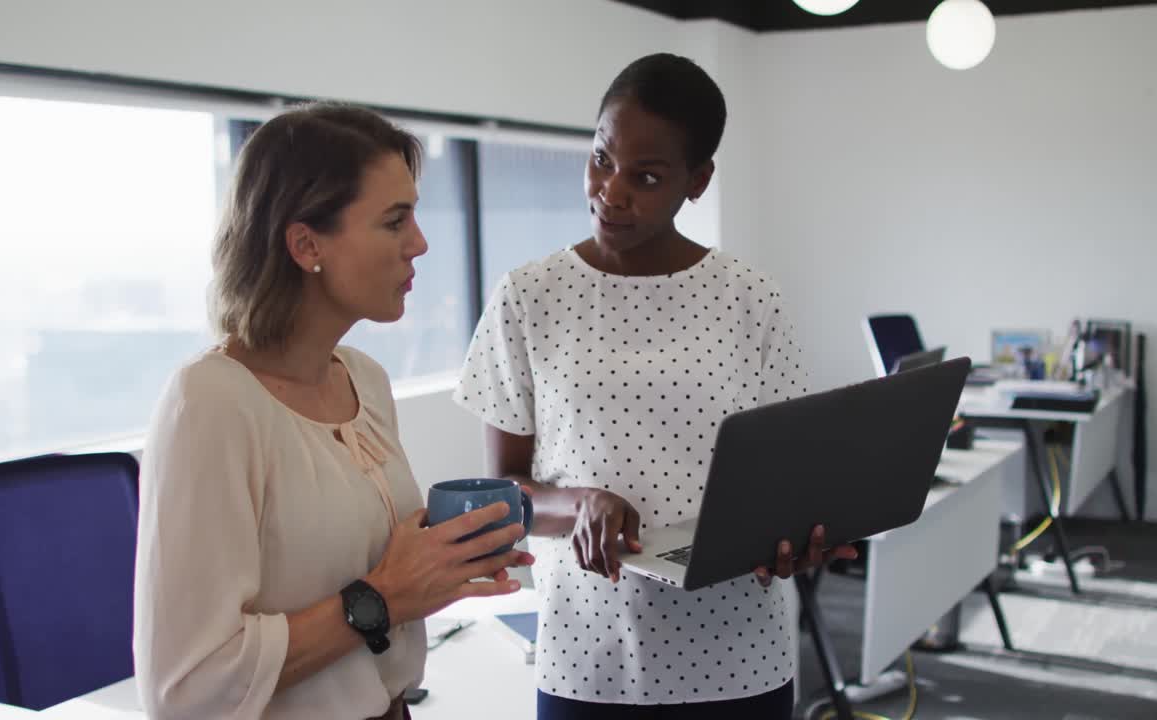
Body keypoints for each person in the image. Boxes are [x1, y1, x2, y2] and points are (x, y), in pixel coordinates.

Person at [454, 54, 856, 719]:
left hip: (738, 655)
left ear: (697, 182)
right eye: (602, 160)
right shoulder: (528, 297)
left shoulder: (751, 301)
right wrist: (579, 504)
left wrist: (794, 540)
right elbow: (505, 495)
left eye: (645, 176)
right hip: (587, 655)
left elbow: (788, 480)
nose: (612, 192)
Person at [133, 104, 534, 720]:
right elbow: (186, 690)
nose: (420, 244)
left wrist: (437, 569)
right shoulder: (208, 404)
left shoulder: (364, 381)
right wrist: (384, 596)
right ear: (305, 243)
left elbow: (361, 579)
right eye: (394, 220)